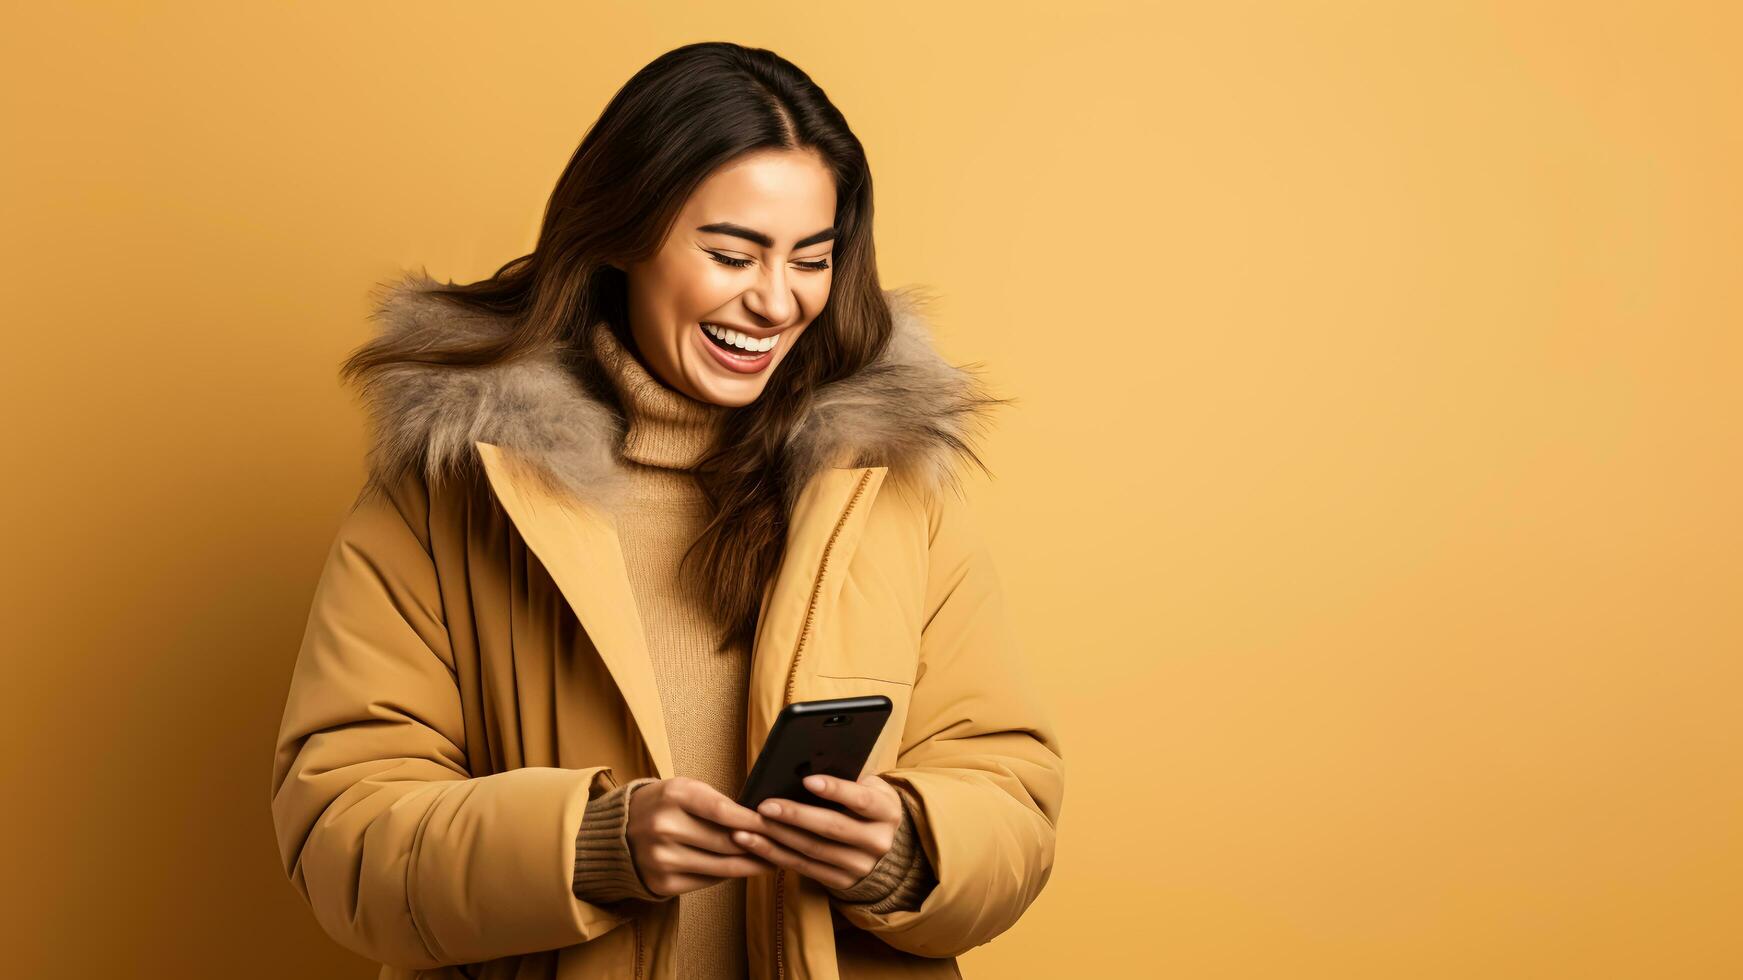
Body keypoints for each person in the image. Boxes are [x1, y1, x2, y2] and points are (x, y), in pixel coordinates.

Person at [270, 40, 1064, 980]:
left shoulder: (889, 483)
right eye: (733, 253)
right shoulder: (453, 488)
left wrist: (904, 848)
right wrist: (593, 845)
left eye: (812, 258)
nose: (775, 301)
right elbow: (340, 831)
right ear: (621, 234)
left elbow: (1011, 791)